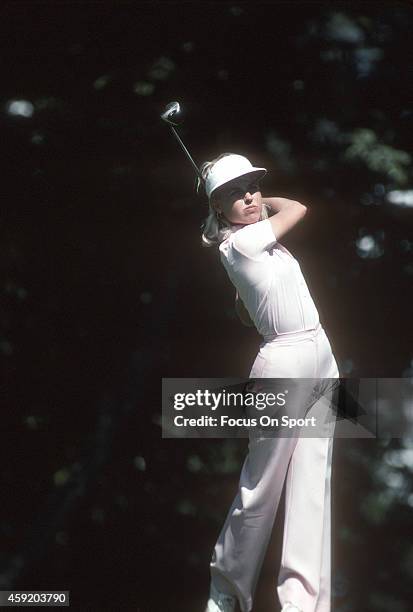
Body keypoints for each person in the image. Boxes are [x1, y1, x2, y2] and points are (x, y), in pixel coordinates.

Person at [200, 153, 340, 612]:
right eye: (234, 194)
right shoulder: (241, 245)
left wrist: (246, 202)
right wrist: (261, 203)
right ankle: (225, 595)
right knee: (261, 485)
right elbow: (297, 207)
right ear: (217, 207)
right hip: (284, 362)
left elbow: (250, 308)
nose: (249, 196)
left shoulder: (252, 242)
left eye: (253, 187)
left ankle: (303, 603)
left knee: (311, 483)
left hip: (321, 355)